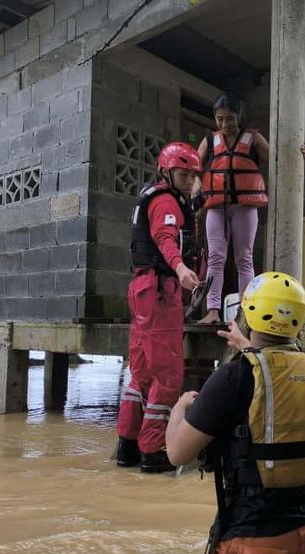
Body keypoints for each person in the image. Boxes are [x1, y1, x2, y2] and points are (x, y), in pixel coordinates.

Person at [165, 271, 305, 554]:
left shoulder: (233, 377)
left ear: (250, 313)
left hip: (254, 549)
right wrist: (246, 346)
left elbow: (176, 453)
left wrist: (178, 409)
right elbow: (273, 376)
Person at [115, 142, 202, 473]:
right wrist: (181, 269)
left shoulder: (156, 196)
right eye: (183, 175)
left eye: (192, 176)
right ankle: (153, 450)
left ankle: (127, 446)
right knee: (167, 374)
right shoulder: (166, 201)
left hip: (142, 289)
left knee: (140, 373)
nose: (189, 181)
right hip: (160, 291)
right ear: (166, 172)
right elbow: (165, 238)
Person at [192, 93, 305, 324]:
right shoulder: (209, 140)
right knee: (215, 258)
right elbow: (194, 169)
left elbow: (279, 160)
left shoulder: (253, 138)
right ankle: (212, 311)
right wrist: (196, 190)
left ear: (239, 116)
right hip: (216, 207)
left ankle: (246, 313)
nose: (224, 124)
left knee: (244, 259)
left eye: (229, 119)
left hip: (244, 207)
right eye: (219, 119)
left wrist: (300, 156)